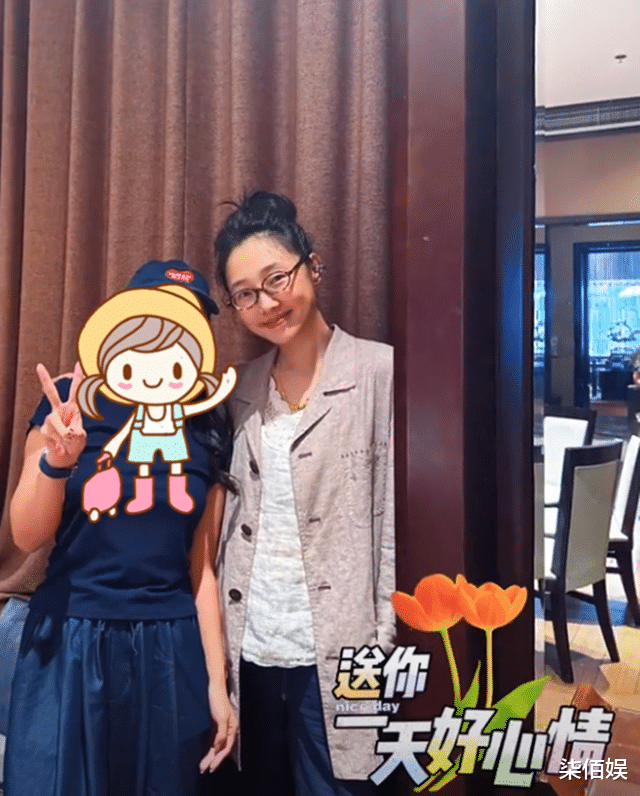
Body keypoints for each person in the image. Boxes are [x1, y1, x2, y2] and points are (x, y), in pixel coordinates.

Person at [5, 261, 238, 796]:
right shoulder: (70, 402)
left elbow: (201, 566)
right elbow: (26, 536)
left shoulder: (206, 419)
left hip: (168, 645)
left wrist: (217, 682)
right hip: (68, 636)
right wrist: (57, 462)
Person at [213, 192, 395, 795]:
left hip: (345, 647)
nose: (266, 303)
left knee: (342, 784)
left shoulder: (379, 373)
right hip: (252, 647)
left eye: (277, 279)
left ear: (312, 267)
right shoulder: (241, 390)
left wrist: (383, 639)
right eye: (245, 294)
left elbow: (392, 523)